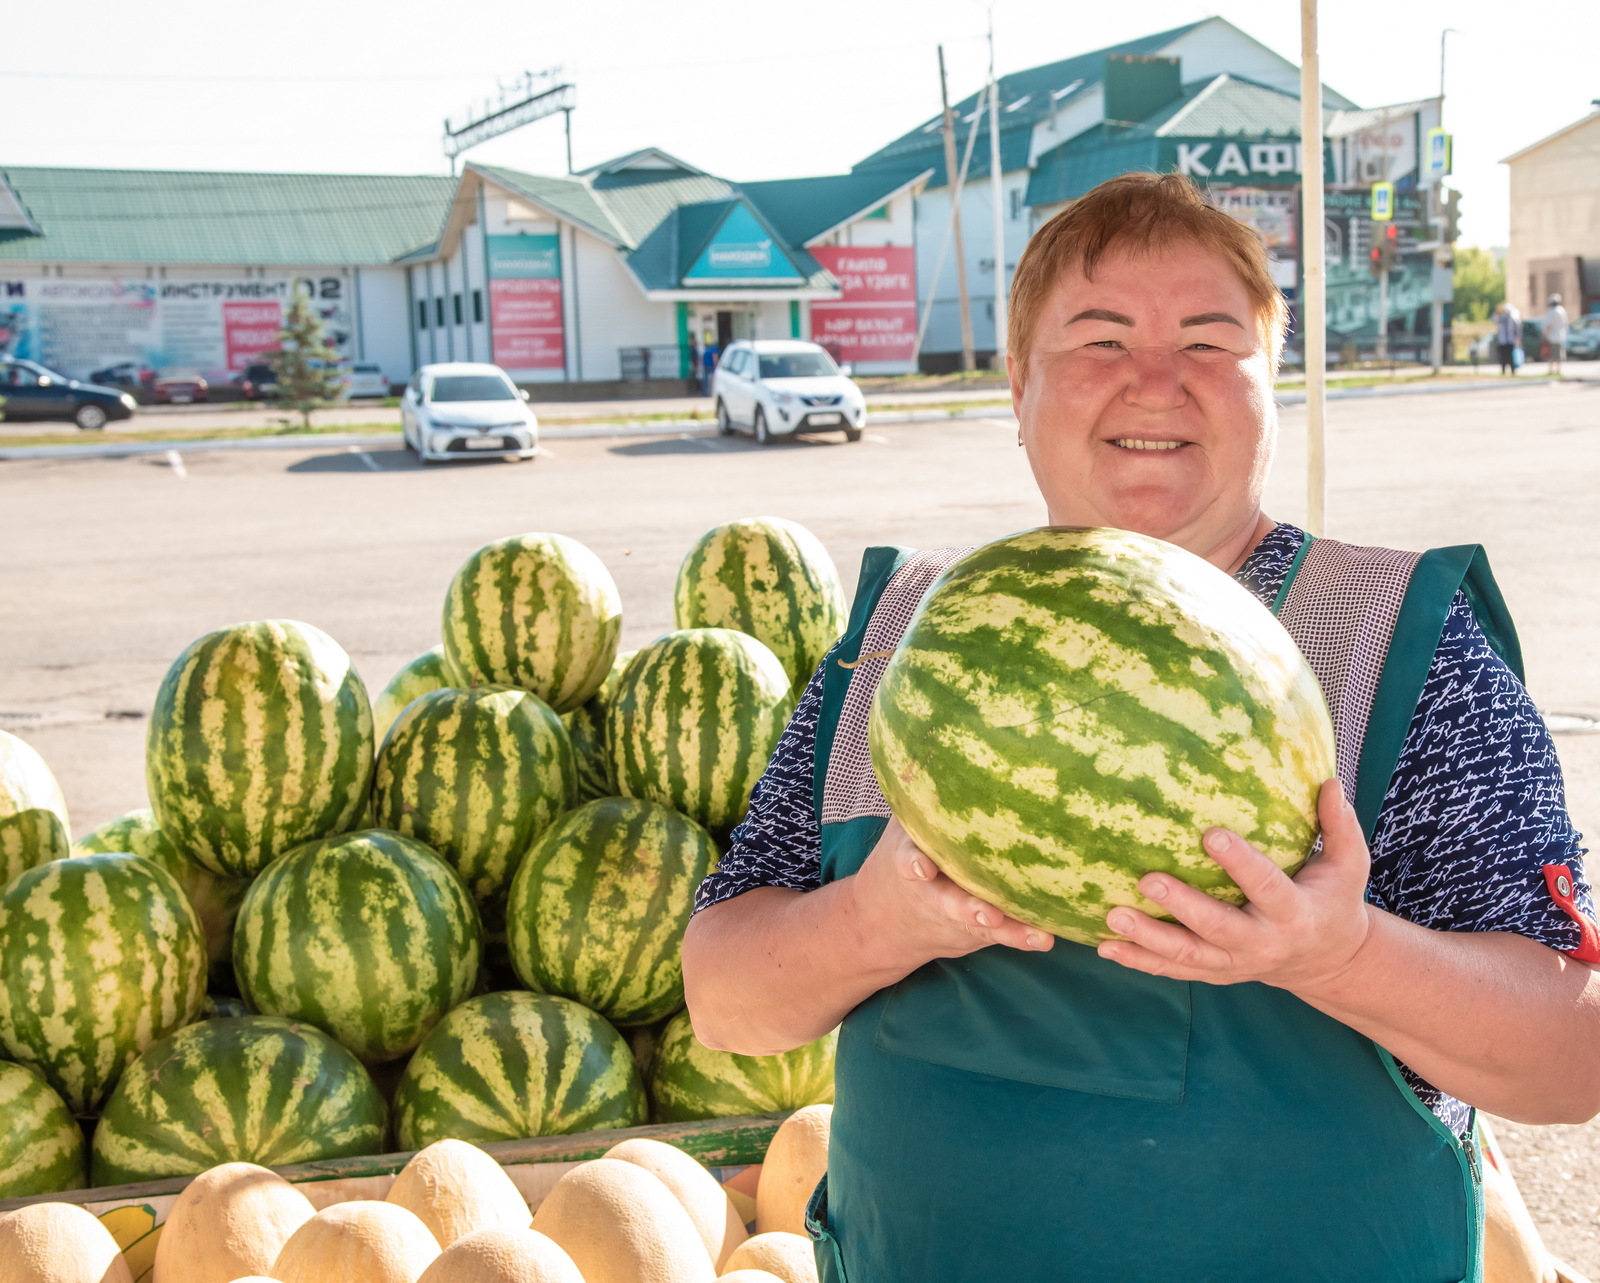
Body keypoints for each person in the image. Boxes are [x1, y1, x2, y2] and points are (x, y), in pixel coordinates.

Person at [682, 172, 1600, 1282]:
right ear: (1017, 383)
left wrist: (1342, 952)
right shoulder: (898, 637)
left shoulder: (1396, 638)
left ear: (1271, 385)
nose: (1157, 383)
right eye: (1100, 340)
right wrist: (876, 922)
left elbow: (1570, 1054)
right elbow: (721, 997)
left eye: (1211, 343)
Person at [1544, 293, 1570, 375]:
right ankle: (1558, 369)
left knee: (1551, 354)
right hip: (1560, 335)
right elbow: (1565, 323)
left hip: (1552, 336)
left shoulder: (1550, 311)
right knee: (1558, 353)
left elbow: (1548, 325)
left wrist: (1545, 335)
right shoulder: (1562, 310)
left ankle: (1551, 370)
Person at [1496, 300, 1522, 375]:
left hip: (1510, 341)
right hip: (1503, 341)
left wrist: (1517, 339)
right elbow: (1493, 319)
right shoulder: (1501, 319)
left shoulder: (1513, 319)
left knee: (1510, 357)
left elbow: (1517, 330)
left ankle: (1512, 370)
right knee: (1503, 357)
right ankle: (1503, 370)